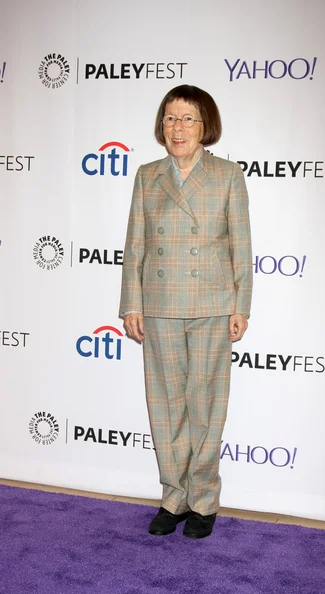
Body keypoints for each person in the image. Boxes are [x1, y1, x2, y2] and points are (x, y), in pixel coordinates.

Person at [119, 84, 252, 539]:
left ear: (205, 126)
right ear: (162, 126)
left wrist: (241, 304)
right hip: (158, 305)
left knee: (206, 407)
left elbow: (241, 246)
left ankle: (203, 501)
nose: (177, 128)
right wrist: (131, 304)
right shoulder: (146, 174)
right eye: (170, 118)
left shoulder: (228, 175)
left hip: (212, 304)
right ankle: (173, 497)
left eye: (188, 118)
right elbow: (135, 245)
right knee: (165, 408)